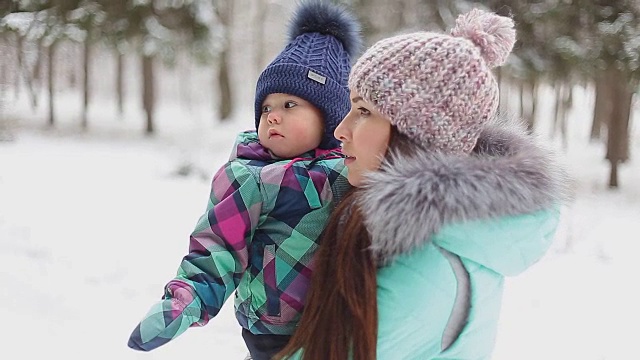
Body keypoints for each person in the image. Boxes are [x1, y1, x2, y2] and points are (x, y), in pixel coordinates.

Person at [277, 8, 572, 360]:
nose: (341, 130)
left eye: (364, 111)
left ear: (415, 133)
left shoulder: (427, 270)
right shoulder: (440, 234)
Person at [127, 1, 361, 359]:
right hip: (274, 329)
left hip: (338, 321)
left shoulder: (355, 168)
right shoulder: (248, 178)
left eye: (289, 106)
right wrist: (184, 302)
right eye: (266, 107)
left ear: (330, 117)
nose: (273, 117)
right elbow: (216, 248)